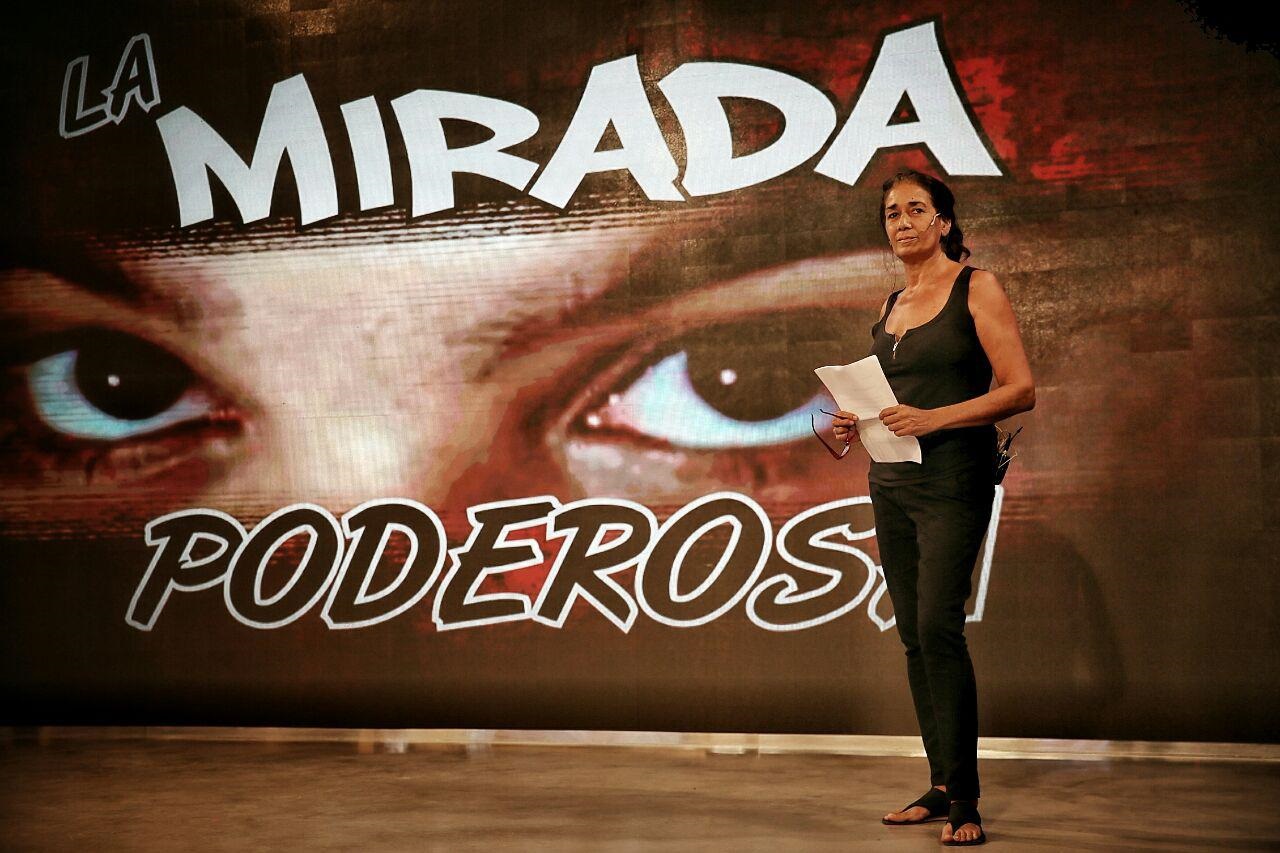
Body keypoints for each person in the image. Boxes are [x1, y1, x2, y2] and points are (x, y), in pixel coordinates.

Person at [831, 170, 1036, 846]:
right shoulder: (891, 302)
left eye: (916, 209)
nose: (903, 222)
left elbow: (1020, 389)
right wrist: (848, 422)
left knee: (938, 625)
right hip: (891, 480)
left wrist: (934, 418)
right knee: (914, 636)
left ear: (944, 222)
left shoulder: (977, 287)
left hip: (954, 476)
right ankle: (941, 782)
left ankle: (966, 801)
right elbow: (890, 402)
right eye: (892, 213)